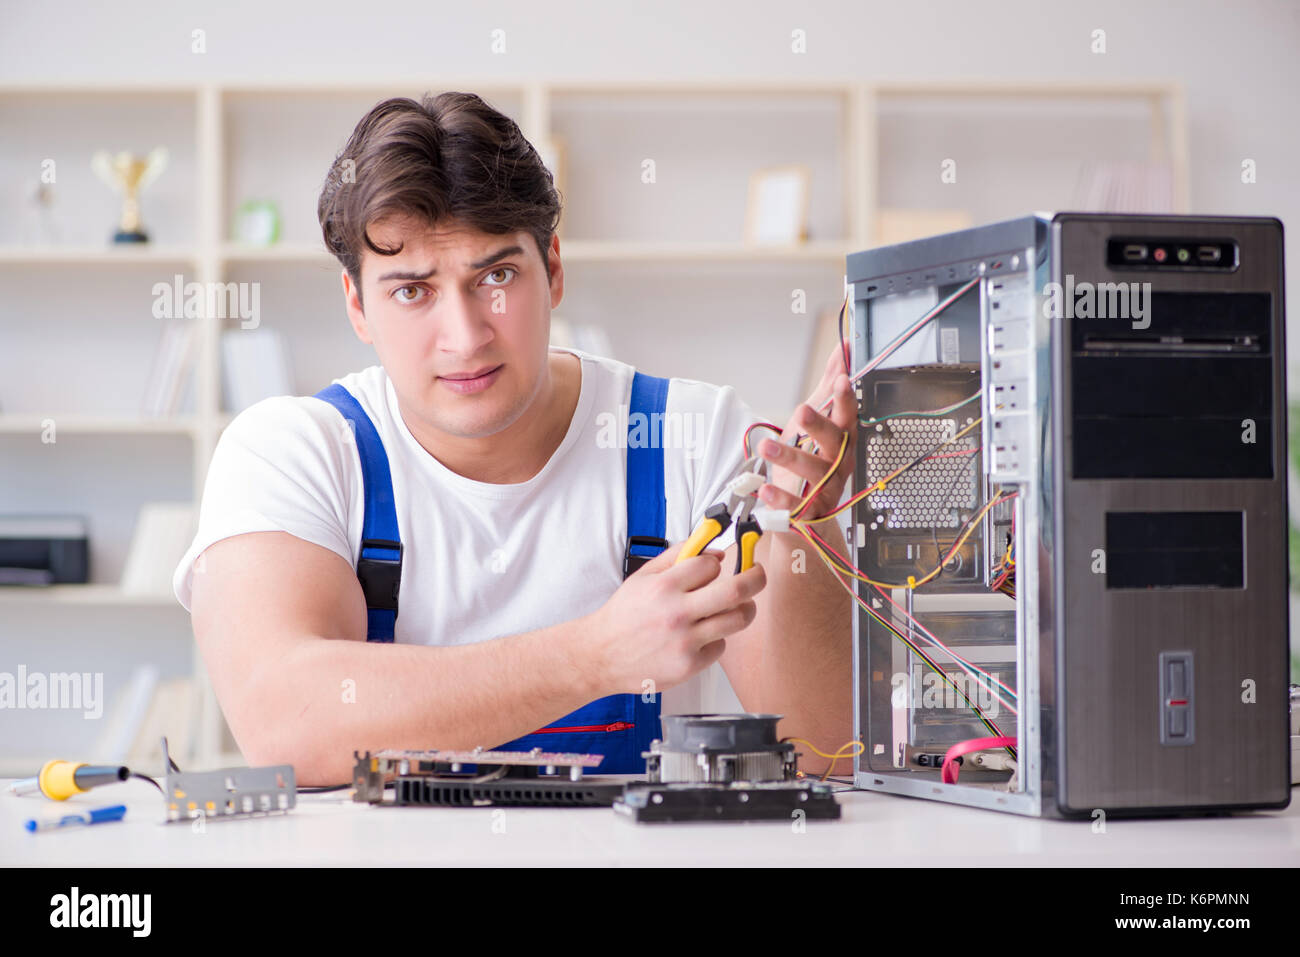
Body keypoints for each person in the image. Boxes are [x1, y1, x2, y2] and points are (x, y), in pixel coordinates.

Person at [172, 91, 856, 785]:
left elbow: (826, 750)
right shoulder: (295, 453)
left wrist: (807, 532)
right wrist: (598, 653)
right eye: (413, 291)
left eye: (496, 276)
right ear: (358, 304)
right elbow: (285, 721)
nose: (466, 336)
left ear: (553, 268)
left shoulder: (693, 438)